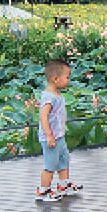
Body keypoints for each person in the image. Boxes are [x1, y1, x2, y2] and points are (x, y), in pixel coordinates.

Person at [35, 59, 81, 201]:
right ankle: (44, 190)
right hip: (51, 138)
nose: (69, 80)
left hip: (59, 137)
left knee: (63, 160)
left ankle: (63, 185)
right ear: (55, 79)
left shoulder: (57, 95)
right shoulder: (49, 97)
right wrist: (49, 135)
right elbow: (43, 116)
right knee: (50, 164)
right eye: (67, 77)